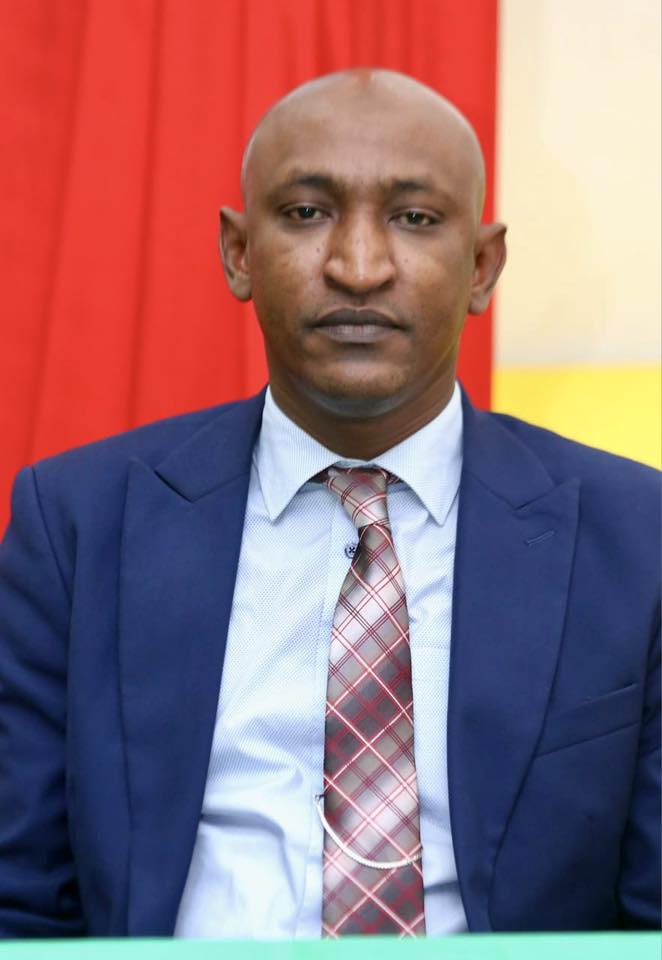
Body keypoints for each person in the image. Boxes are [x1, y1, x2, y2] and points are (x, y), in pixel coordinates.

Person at [0, 69, 659, 940]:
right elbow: (18, 902)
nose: (358, 267)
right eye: (307, 212)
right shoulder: (77, 525)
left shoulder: (637, 539)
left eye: (414, 218)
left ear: (482, 266)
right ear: (239, 253)